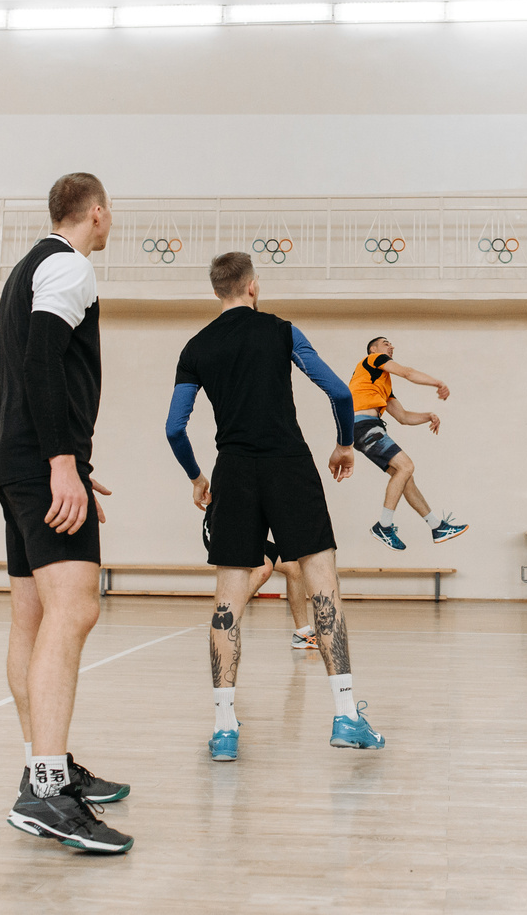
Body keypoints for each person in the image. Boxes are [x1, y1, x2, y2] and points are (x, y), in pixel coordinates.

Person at [165, 251, 387, 760]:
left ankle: (224, 727)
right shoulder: (281, 330)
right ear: (253, 287)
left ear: (217, 290)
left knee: (228, 599)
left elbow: (175, 428)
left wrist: (197, 477)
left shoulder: (196, 347)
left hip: (234, 471)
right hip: (289, 464)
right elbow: (337, 391)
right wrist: (343, 443)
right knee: (323, 585)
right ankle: (347, 715)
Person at [0, 172, 133, 854]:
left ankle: (42, 763)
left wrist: (72, 459)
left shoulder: (26, 268)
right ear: (97, 214)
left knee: (36, 615)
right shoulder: (70, 265)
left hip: (18, 462)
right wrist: (62, 463)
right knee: (75, 610)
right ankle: (47, 788)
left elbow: (36, 369)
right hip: (39, 465)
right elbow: (45, 359)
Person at [349, 337, 468, 550]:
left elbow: (403, 417)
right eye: (386, 343)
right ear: (373, 349)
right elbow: (407, 372)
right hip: (364, 426)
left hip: (366, 427)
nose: (391, 346)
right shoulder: (373, 360)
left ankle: (436, 526)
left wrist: (428, 416)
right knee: (406, 466)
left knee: (405, 477)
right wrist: (438, 382)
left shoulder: (380, 384)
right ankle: (383, 526)